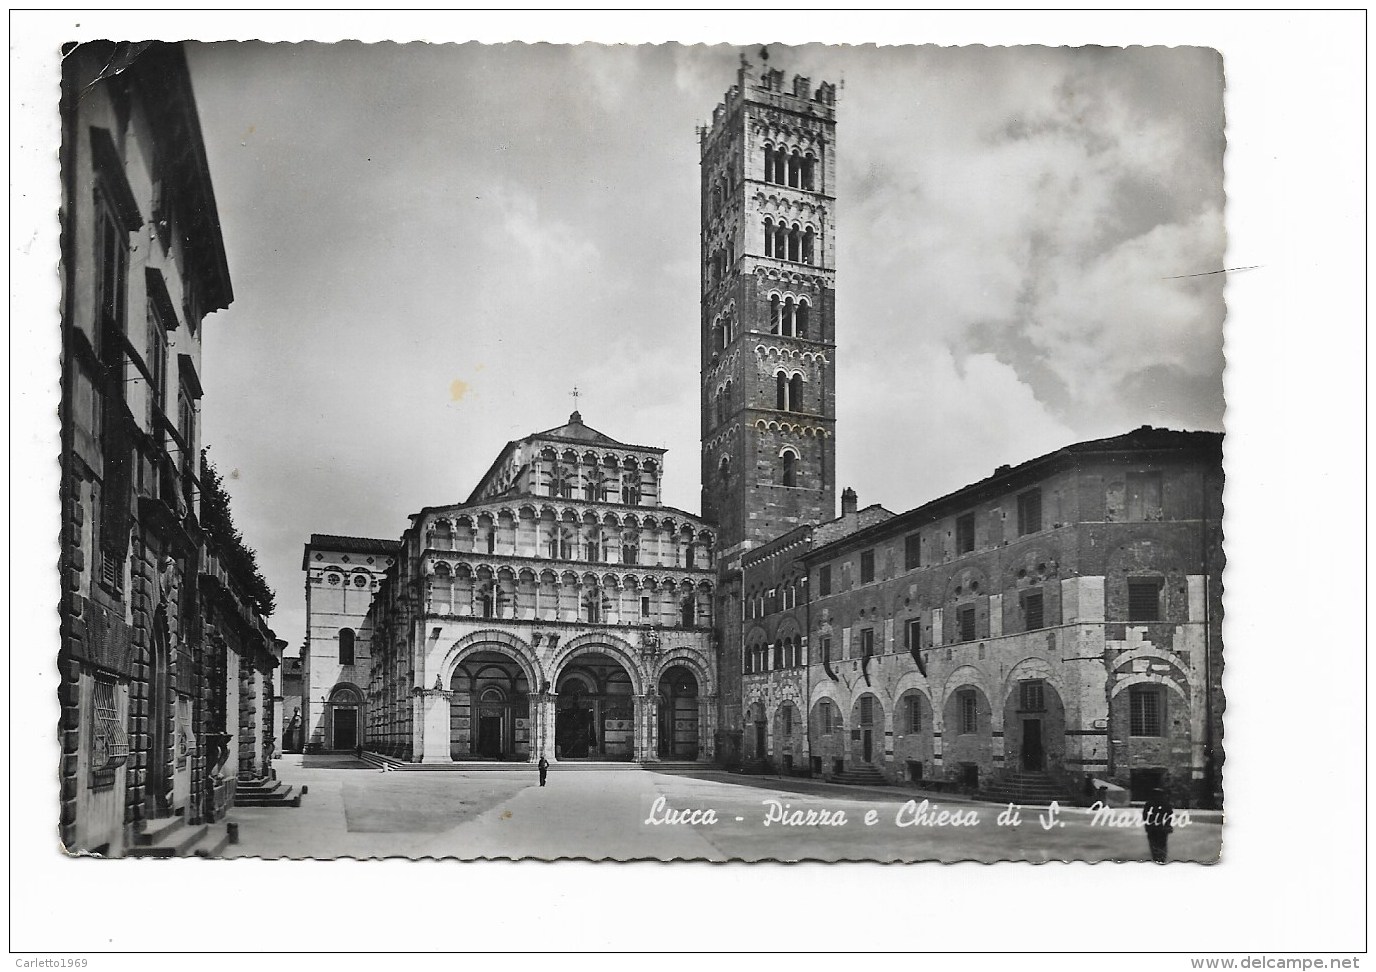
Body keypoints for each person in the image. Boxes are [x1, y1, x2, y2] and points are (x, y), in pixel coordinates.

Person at [1142, 787, 1174, 863]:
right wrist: (1168, 825)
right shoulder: (1166, 803)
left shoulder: (1149, 803)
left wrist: (1148, 825)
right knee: (1161, 843)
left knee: (1154, 843)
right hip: (1161, 828)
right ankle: (1161, 858)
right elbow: (1170, 815)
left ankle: (1156, 857)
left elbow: (1145, 816)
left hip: (1153, 828)